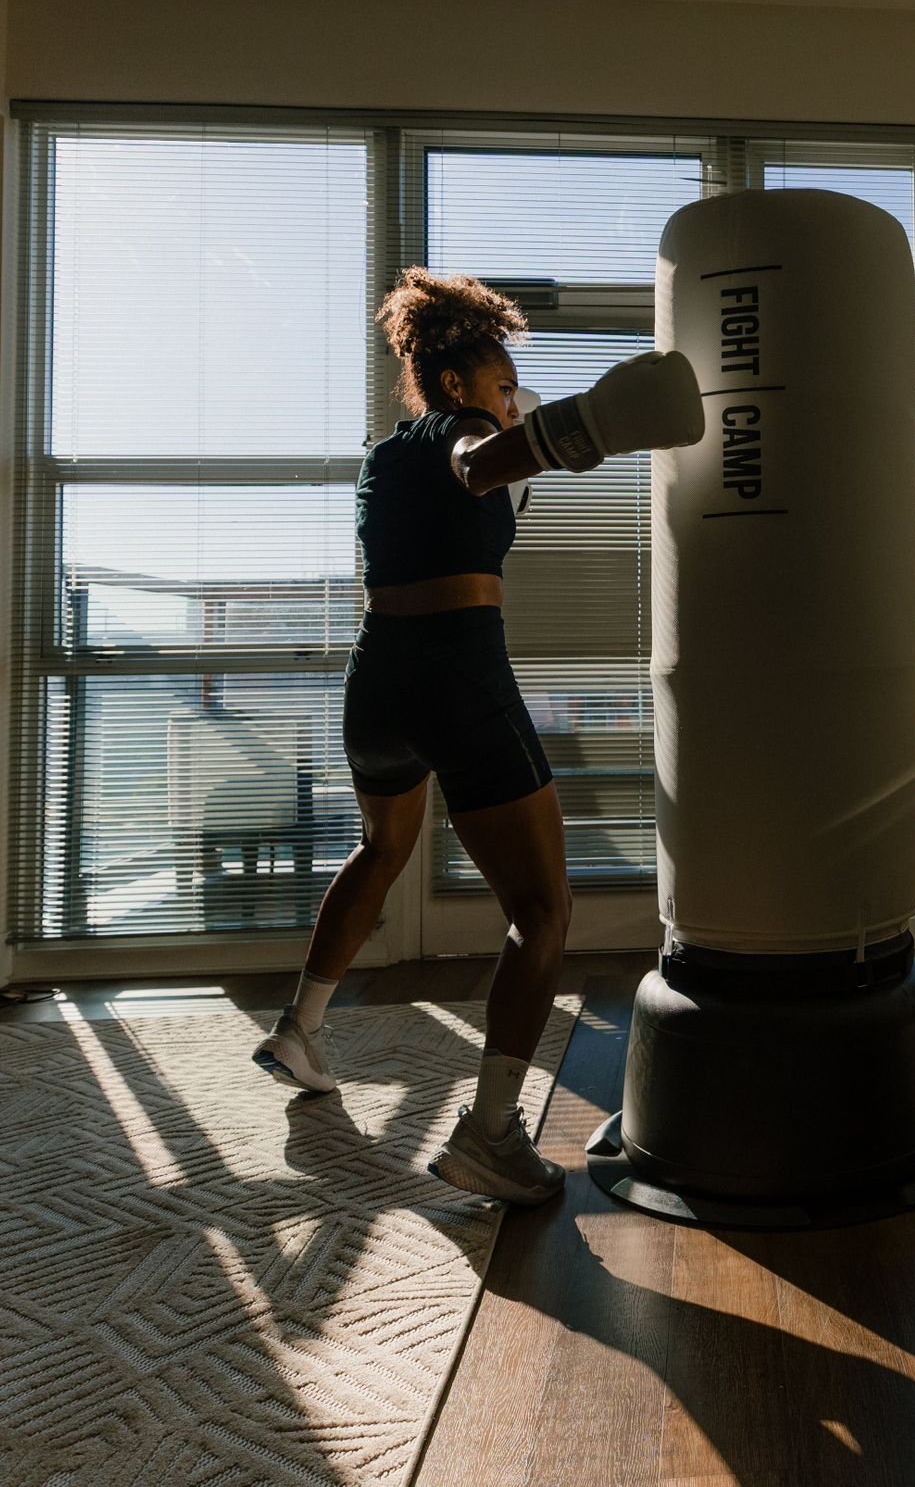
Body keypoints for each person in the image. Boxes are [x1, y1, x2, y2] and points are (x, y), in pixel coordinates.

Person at [252, 266, 703, 1203]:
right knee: (542, 910)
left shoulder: (384, 454)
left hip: (375, 685)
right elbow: (473, 464)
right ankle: (492, 1134)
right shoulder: (459, 432)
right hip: (456, 676)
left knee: (381, 848)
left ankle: (301, 1026)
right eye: (503, 384)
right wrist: (586, 428)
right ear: (458, 383)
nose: (511, 399)